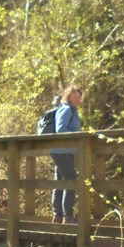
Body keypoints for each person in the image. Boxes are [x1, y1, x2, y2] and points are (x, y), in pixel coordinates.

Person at [50, 86, 82, 224]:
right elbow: (60, 129)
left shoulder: (71, 110)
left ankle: (58, 217)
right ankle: (67, 217)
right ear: (68, 97)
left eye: (79, 97)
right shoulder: (66, 109)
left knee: (61, 183)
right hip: (62, 151)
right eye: (75, 97)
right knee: (71, 181)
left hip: (63, 151)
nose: (78, 100)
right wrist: (77, 136)